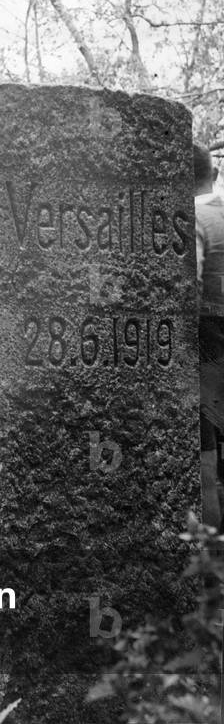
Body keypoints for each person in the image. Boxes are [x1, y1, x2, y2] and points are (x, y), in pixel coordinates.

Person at [194, 142, 224, 530]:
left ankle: (214, 576)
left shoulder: (190, 217)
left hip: (207, 348)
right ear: (214, 175)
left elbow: (191, 283)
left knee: (204, 471)